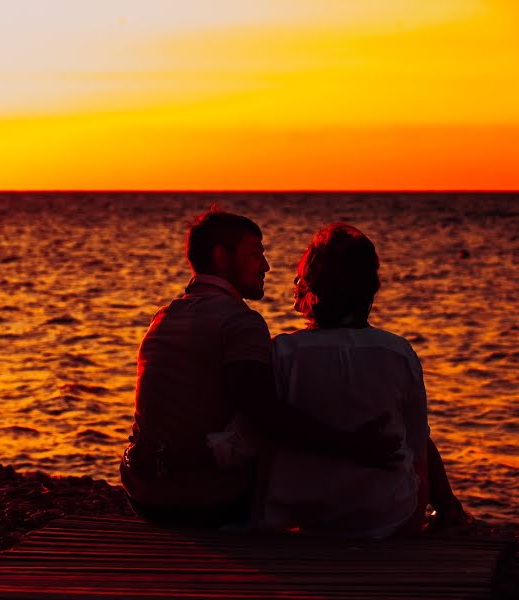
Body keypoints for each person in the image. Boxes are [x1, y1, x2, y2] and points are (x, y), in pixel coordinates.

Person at [120, 209, 401, 526]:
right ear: (221, 255)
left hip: (143, 494)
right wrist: (353, 445)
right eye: (256, 254)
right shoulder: (240, 322)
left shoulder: (164, 316)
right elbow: (264, 414)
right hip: (202, 501)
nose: (266, 265)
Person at [259, 223, 468, 537]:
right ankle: (451, 514)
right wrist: (413, 521)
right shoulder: (398, 353)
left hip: (300, 510)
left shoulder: (283, 353)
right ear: (371, 288)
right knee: (414, 434)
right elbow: (417, 452)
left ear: (310, 286)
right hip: (384, 514)